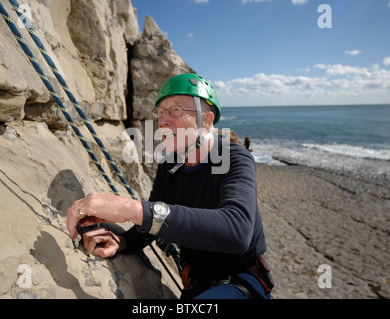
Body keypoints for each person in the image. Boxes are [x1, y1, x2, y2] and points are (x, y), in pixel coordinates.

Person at [66, 73, 273, 299]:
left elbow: (237, 231)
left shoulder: (234, 158)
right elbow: (153, 221)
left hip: (239, 281)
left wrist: (132, 209)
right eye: (161, 113)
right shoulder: (171, 165)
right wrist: (124, 242)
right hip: (197, 283)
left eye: (175, 110)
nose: (163, 121)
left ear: (206, 120)